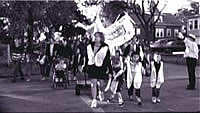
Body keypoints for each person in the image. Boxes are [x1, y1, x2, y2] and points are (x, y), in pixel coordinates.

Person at [84, 32, 113, 108]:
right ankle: (94, 100)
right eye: (95, 36)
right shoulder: (89, 46)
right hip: (92, 66)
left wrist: (110, 71)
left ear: (101, 38)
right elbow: (86, 57)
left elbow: (108, 60)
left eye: (97, 36)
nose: (95, 38)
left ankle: (101, 91)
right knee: (93, 83)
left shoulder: (105, 47)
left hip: (101, 67)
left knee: (101, 84)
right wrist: (84, 66)